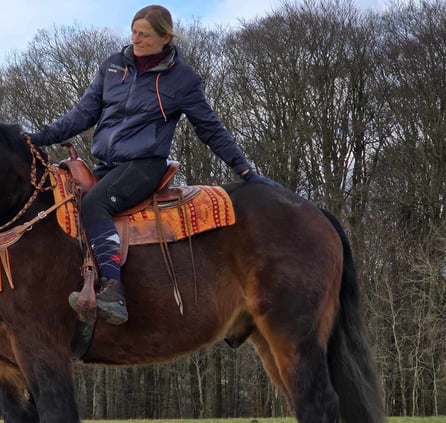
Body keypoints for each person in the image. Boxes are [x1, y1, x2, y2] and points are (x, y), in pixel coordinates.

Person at [28, 4, 279, 325]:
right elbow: (82, 115)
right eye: (133, 32)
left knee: (95, 204)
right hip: (108, 164)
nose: (136, 39)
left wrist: (244, 170)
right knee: (65, 201)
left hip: (146, 165)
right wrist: (39, 137)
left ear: (165, 37)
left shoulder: (182, 80)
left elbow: (210, 128)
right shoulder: (112, 67)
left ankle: (113, 291)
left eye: (144, 35)